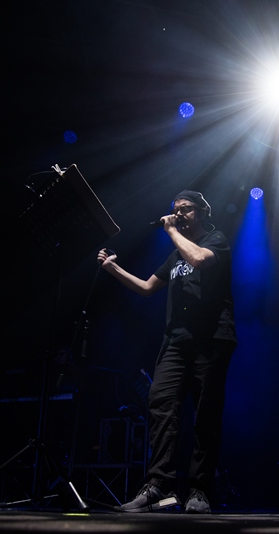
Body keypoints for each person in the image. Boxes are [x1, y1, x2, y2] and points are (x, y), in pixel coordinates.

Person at [96, 190, 237, 514]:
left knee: (205, 415)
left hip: (211, 339)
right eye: (175, 210)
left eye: (186, 209)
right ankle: (158, 487)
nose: (178, 214)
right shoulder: (175, 256)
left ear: (203, 211)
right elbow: (147, 288)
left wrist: (171, 231)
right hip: (176, 341)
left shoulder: (216, 240)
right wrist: (111, 269)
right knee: (160, 405)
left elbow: (199, 259)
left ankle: (199, 490)